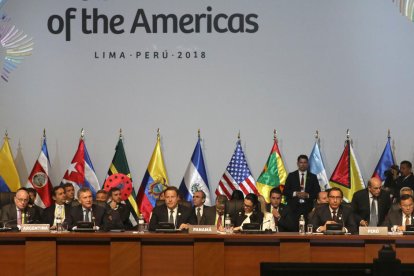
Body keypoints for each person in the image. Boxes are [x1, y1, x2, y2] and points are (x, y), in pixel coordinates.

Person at [283, 155, 320, 221]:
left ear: (307, 164)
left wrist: (307, 195)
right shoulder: (291, 176)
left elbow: (317, 192)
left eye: (305, 162)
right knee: (293, 229)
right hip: (293, 208)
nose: (303, 165)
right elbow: (285, 191)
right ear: (297, 163)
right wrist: (295, 193)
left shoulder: (313, 177)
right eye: (301, 162)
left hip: (308, 208)